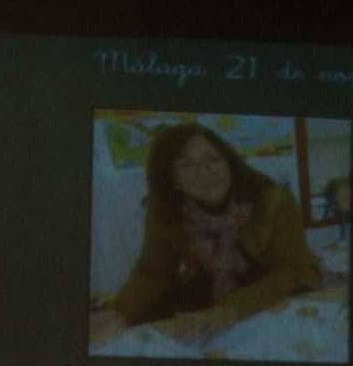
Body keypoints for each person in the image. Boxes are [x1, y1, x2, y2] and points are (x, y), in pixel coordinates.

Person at [107, 124, 322, 331]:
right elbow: (153, 272)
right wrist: (118, 313)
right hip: (204, 307)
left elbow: (296, 270)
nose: (205, 172)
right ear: (172, 178)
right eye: (186, 165)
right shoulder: (165, 210)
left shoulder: (273, 200)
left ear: (229, 162)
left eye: (214, 159)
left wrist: (230, 310)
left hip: (266, 302)